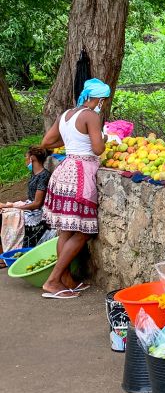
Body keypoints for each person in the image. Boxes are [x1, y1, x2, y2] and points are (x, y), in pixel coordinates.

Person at [38, 78, 110, 299]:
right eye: (103, 100)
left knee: (66, 230)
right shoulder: (91, 115)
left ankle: (65, 279)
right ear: (97, 98)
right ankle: (52, 281)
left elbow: (46, 142)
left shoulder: (66, 114)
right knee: (83, 232)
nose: (103, 104)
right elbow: (98, 149)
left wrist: (72, 144)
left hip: (64, 170)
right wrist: (103, 139)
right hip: (80, 174)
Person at [0, 146, 53, 252]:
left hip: (37, 212)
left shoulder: (43, 176)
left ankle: (3, 257)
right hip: (30, 207)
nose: (25, 160)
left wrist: (15, 207)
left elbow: (37, 204)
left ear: (32, 158)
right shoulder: (34, 174)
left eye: (26, 157)